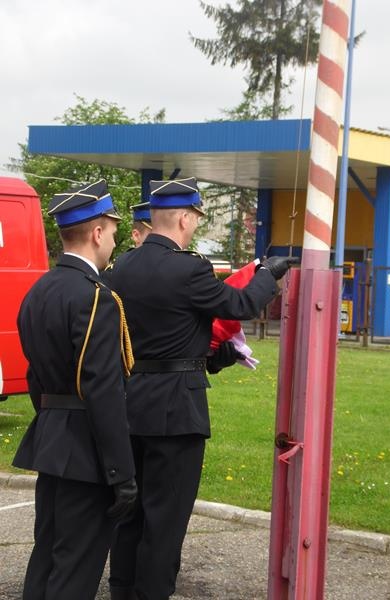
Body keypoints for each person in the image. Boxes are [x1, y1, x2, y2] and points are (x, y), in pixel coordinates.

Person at [108, 176, 298, 600]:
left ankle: (122, 589)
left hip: (130, 402)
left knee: (130, 510)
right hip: (176, 409)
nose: (195, 224)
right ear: (183, 218)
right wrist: (267, 274)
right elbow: (239, 305)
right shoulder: (188, 267)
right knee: (166, 519)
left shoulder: (122, 267)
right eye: (195, 217)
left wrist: (211, 355)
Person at [13, 179, 138, 600]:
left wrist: (55, 420)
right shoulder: (96, 296)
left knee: (47, 558)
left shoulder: (39, 290)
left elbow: (35, 376)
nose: (115, 240)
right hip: (86, 449)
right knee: (76, 569)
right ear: (97, 233)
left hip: (52, 438)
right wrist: (122, 473)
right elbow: (103, 388)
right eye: (113, 231)